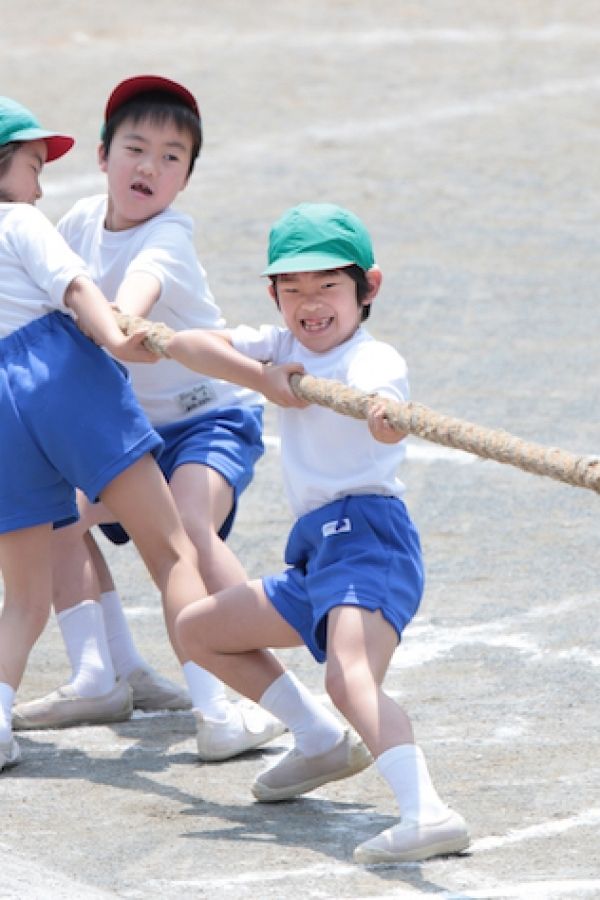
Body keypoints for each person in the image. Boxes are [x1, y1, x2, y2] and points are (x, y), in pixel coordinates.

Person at [11, 77, 301, 762]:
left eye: (173, 157)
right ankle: (102, 674)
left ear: (187, 179)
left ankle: (242, 689)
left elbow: (130, 300)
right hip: (123, 432)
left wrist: (105, 326)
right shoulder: (77, 222)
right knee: (52, 513)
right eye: (135, 148)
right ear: (103, 155)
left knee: (189, 527)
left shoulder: (170, 234)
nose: (150, 167)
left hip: (208, 422)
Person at [173, 203, 471, 863]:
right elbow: (190, 342)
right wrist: (265, 379)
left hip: (369, 538)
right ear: (274, 295)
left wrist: (384, 416)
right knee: (197, 630)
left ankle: (429, 812)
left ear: (369, 288)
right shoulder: (282, 348)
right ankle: (317, 741)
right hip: (319, 553)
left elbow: (382, 407)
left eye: (328, 286)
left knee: (350, 675)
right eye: (292, 289)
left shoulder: (373, 357)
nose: (310, 303)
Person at [0, 94, 205, 774]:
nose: (40, 182)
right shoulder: (23, 220)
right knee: (172, 546)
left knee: (23, 596)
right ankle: (223, 706)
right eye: (33, 165)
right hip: (58, 375)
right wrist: (118, 339)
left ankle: (2, 716)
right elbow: (76, 288)